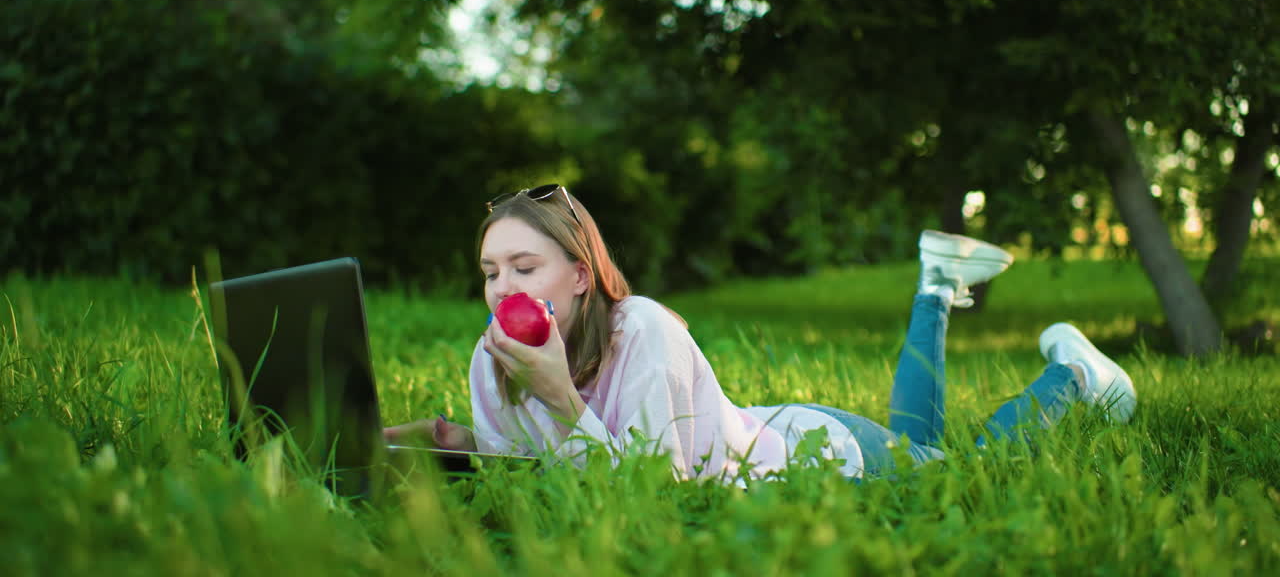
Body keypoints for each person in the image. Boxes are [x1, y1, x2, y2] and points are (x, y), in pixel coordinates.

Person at [383, 184, 1138, 482]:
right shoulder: (495, 364)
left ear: (581, 275)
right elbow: (531, 486)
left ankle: (1077, 378)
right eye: (491, 272)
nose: (504, 289)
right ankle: (937, 288)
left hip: (819, 459)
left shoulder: (641, 328)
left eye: (525, 266)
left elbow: (656, 494)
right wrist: (453, 445)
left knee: (966, 468)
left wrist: (560, 396)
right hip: (766, 432)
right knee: (930, 449)